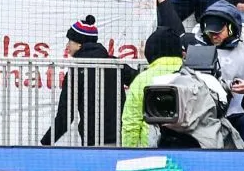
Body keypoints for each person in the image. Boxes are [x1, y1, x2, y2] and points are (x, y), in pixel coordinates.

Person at [39, 16, 134, 146]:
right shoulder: (115, 64)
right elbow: (140, 81)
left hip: (93, 142)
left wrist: (45, 143)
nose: (67, 46)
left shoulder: (76, 71)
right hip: (122, 139)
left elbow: (65, 115)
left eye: (70, 41)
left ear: (79, 44)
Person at [195, 1, 244, 148]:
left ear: (232, 28)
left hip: (238, 116)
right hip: (203, 117)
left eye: (217, 31)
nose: (213, 36)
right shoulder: (197, 51)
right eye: (210, 32)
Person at [121, 19, 187, 147]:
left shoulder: (142, 80)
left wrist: (128, 154)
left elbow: (131, 123)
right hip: (191, 151)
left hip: (151, 152)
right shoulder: (193, 74)